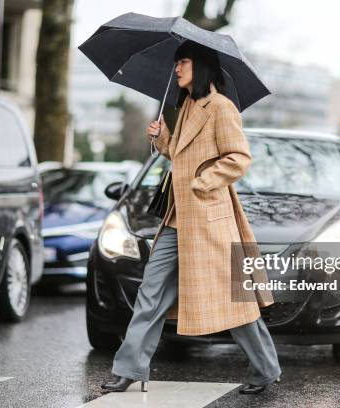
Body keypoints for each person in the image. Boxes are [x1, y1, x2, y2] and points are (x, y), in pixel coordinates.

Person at [100, 40, 281, 395]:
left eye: (182, 62)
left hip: (208, 220)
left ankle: (266, 368)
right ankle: (130, 368)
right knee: (150, 294)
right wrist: (163, 138)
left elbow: (238, 157)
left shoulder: (221, 108)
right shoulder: (184, 108)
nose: (177, 69)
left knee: (233, 300)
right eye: (177, 63)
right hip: (175, 219)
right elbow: (178, 156)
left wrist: (203, 181)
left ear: (202, 66)